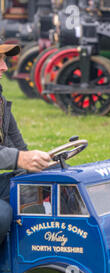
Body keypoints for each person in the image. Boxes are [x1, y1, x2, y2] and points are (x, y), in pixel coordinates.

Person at [0, 43, 52, 244]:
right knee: (2, 215)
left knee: (51, 181)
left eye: (4, 60)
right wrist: (20, 158)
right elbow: (19, 156)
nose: (5, 67)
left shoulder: (1, 101)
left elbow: (19, 147)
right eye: (0, 60)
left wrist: (43, 163)